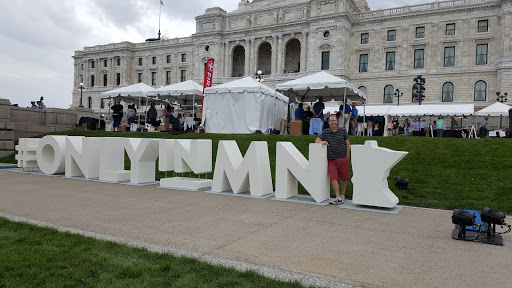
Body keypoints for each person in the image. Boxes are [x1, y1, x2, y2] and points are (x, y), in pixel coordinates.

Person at [315, 115, 351, 204]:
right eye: (331, 121)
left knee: (344, 178)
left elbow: (348, 144)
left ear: (337, 121)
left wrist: (347, 157)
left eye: (334, 120)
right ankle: (337, 196)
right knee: (333, 178)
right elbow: (316, 140)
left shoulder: (343, 131)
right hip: (331, 159)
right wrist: (323, 142)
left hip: (342, 158)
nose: (333, 122)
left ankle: (342, 195)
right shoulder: (326, 132)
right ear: (329, 123)